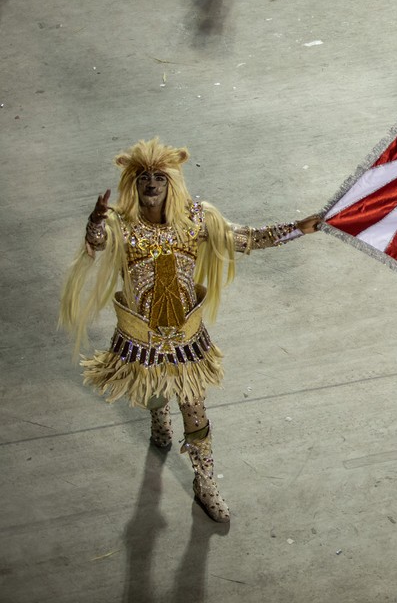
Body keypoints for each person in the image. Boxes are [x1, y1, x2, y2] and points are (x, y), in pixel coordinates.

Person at [59, 138, 321, 522]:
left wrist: (298, 229)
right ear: (133, 184)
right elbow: (95, 242)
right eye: (144, 177)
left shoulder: (197, 219)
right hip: (140, 338)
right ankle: (156, 416)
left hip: (186, 338)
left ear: (171, 183)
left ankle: (205, 481)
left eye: (159, 178)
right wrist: (96, 220)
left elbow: (245, 238)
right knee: (152, 393)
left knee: (194, 409)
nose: (151, 185)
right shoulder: (120, 224)